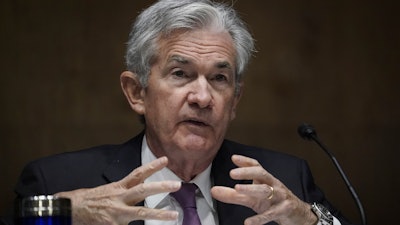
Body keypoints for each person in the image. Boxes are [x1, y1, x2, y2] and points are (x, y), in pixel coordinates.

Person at [1, 0, 354, 225]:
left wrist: (308, 219)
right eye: (180, 73)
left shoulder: (282, 179)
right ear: (136, 92)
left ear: (235, 101)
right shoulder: (58, 181)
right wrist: (64, 215)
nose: (202, 96)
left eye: (219, 78)